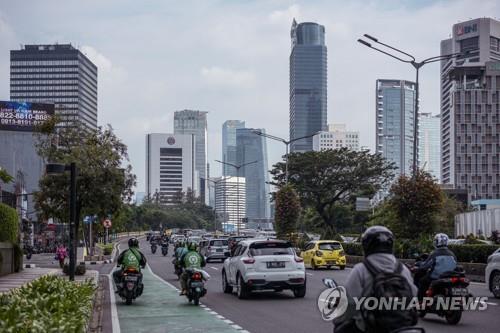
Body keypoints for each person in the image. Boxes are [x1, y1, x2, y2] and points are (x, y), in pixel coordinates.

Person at [333, 226, 417, 333]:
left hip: (370, 327)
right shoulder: (402, 269)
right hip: (401, 326)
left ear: (366, 246)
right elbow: (413, 294)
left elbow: (350, 302)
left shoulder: (361, 269)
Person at [416, 233, 457, 299]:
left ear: (436, 242)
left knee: (422, 281)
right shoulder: (452, 254)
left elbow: (425, 266)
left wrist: (419, 265)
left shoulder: (434, 253)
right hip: (449, 278)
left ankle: (420, 301)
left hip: (435, 277)